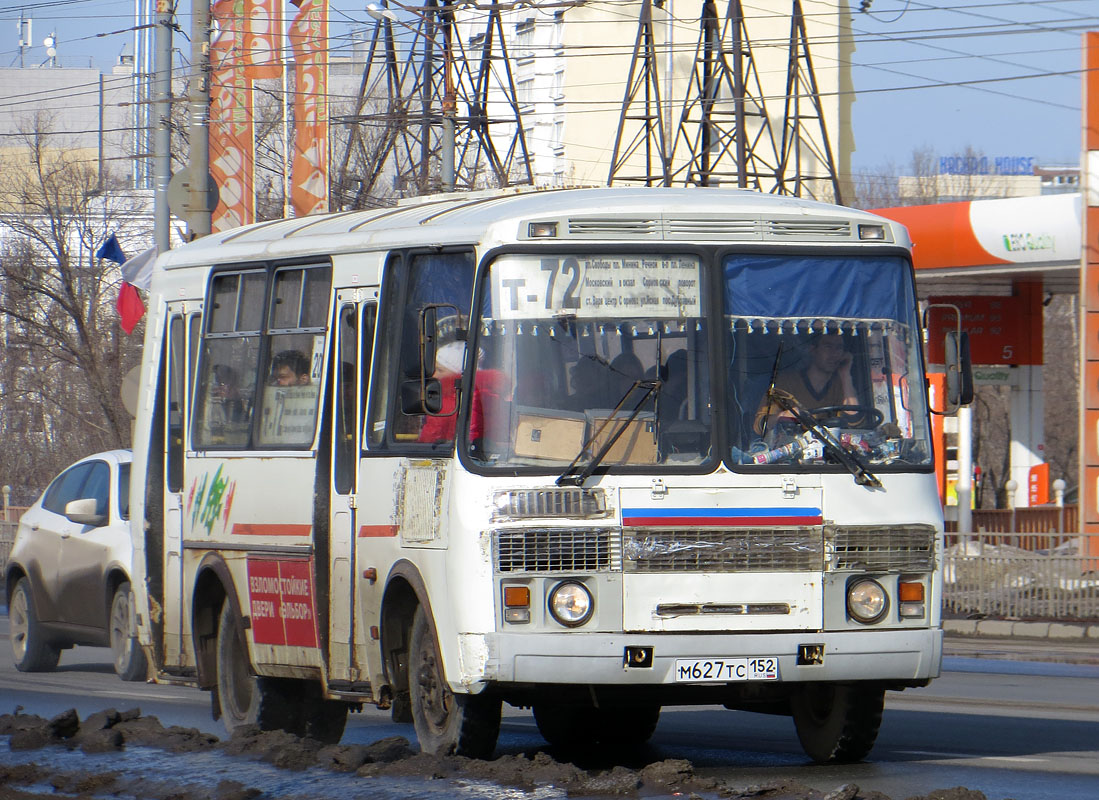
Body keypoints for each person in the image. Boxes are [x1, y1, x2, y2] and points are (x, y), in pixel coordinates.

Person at [754, 332, 858, 435]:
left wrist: (845, 375)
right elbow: (759, 425)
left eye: (839, 348)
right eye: (828, 347)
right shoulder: (785, 382)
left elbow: (855, 424)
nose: (834, 354)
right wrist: (781, 417)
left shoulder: (842, 386)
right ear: (813, 350)